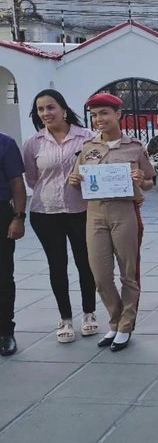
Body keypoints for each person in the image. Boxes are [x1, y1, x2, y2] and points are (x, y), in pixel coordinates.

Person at [69, 93, 155, 352]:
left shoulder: (135, 147)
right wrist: (74, 181)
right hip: (95, 213)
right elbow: (76, 179)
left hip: (124, 211)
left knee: (129, 272)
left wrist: (141, 180)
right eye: (94, 115)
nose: (99, 119)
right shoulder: (88, 148)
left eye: (104, 113)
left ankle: (125, 325)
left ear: (118, 114)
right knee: (101, 274)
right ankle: (116, 318)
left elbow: (150, 182)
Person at [22, 89, 98, 343]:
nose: (46, 113)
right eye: (41, 109)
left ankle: (89, 313)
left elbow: (99, 169)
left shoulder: (87, 138)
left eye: (51, 107)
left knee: (85, 264)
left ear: (63, 108)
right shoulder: (33, 143)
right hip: (46, 213)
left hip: (82, 211)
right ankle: (65, 318)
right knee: (57, 266)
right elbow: (32, 179)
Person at [0, 133, 26, 357]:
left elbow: (17, 182)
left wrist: (18, 217)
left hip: (1, 214)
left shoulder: (5, 144)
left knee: (3, 276)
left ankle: (5, 332)